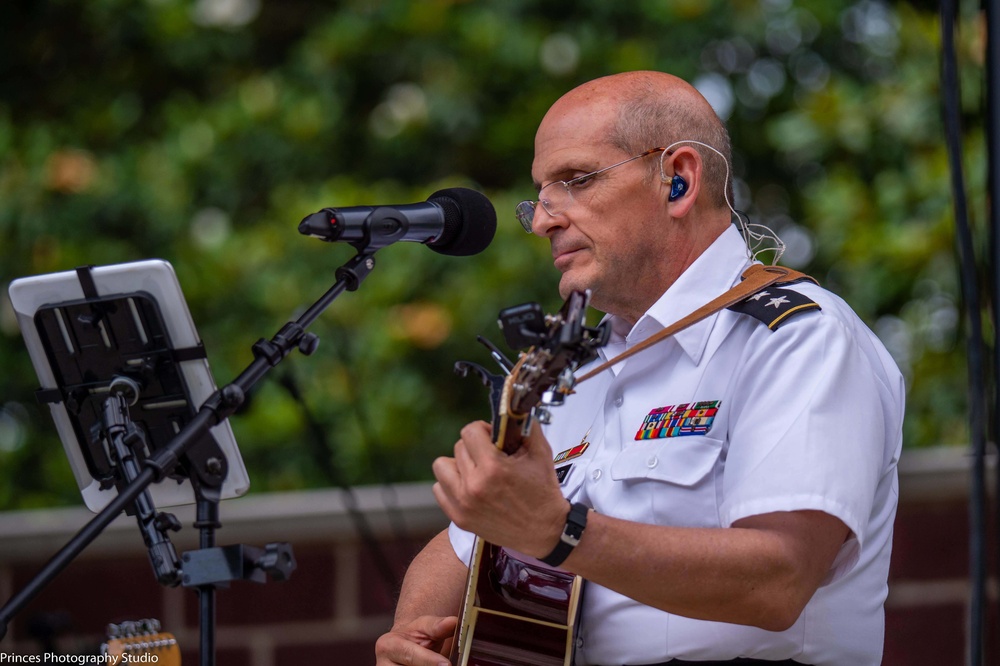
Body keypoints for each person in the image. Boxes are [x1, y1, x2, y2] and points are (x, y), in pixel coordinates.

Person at [375, 70, 904, 666]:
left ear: (677, 180)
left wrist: (561, 532)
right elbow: (465, 545)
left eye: (575, 181)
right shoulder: (567, 368)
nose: (545, 219)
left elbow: (779, 579)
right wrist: (415, 633)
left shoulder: (797, 338)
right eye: (541, 195)